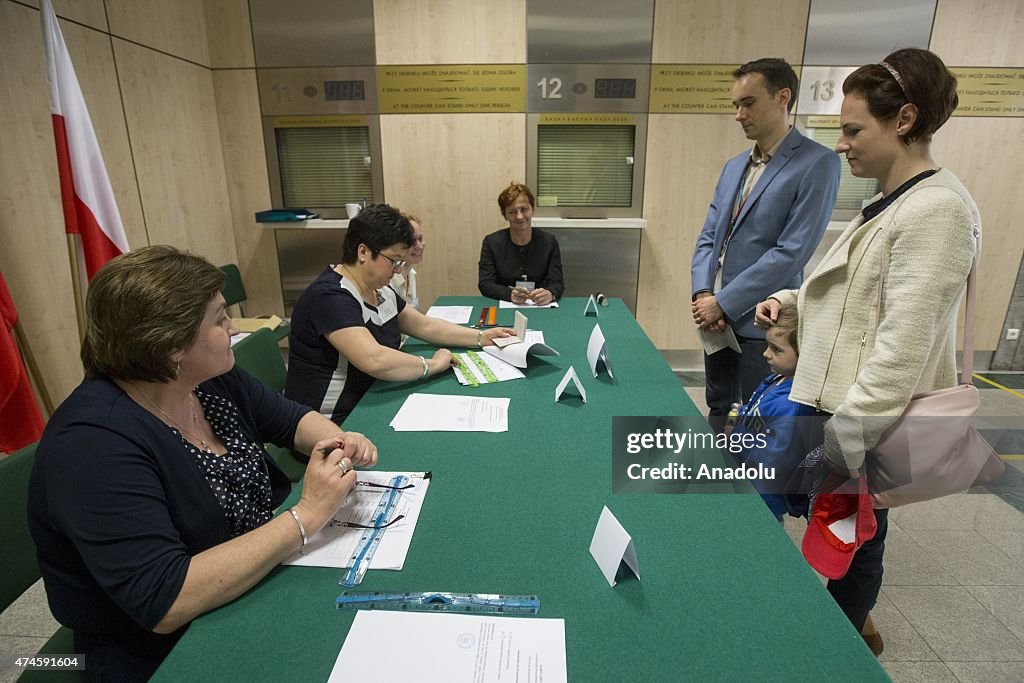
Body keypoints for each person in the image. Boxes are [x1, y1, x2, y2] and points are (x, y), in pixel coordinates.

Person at [27, 246, 379, 681]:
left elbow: (290, 419)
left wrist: (336, 438)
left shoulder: (208, 379)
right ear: (171, 345)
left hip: (249, 583)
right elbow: (165, 600)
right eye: (219, 318)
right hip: (158, 649)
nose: (233, 328)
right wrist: (306, 516)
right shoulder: (92, 446)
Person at [754, 48, 978, 656]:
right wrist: (791, 300)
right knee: (835, 530)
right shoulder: (894, 199)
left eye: (854, 130)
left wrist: (845, 441)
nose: (842, 143)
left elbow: (901, 346)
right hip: (836, 412)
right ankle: (830, 633)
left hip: (858, 421)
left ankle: (838, 651)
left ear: (904, 120)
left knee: (852, 543)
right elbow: (859, 297)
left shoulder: (936, 209)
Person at [691, 57, 840, 428]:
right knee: (718, 406)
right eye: (736, 105)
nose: (739, 114)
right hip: (714, 319)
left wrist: (724, 301)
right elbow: (709, 236)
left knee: (760, 417)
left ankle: (751, 487)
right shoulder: (734, 166)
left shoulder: (817, 164)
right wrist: (702, 293)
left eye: (749, 103)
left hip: (762, 320)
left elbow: (792, 251)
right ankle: (712, 479)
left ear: (782, 97)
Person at [287, 204, 512, 424]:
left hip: (372, 398)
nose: (397, 270)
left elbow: (425, 326)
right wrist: (431, 365)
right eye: (393, 260)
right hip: (333, 424)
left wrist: (481, 338)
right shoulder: (329, 296)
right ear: (363, 252)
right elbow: (374, 359)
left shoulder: (380, 290)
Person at [729, 304, 821, 521]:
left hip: (760, 496)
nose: (766, 354)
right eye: (767, 345)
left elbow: (773, 461)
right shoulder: (776, 378)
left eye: (776, 349)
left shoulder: (793, 405)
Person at [478, 182, 564, 305]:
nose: (519, 216)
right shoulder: (491, 243)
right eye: (512, 212)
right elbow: (485, 284)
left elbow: (557, 282)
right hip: (504, 305)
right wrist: (509, 294)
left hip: (541, 307)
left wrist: (550, 293)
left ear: (532, 210)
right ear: (505, 215)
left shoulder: (549, 241)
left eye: (524, 209)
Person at [390, 211, 424, 310]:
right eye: (411, 241)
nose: (419, 246)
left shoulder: (411, 273)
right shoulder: (388, 280)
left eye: (420, 239)